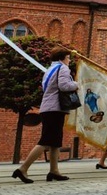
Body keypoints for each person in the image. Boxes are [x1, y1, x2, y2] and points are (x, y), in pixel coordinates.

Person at [13, 47, 79, 183]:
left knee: (55, 141)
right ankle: (23, 168)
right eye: (68, 57)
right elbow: (64, 86)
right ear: (62, 58)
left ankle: (54, 171)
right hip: (55, 108)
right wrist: (77, 84)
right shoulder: (63, 68)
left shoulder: (50, 69)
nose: (69, 60)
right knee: (46, 140)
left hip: (48, 107)